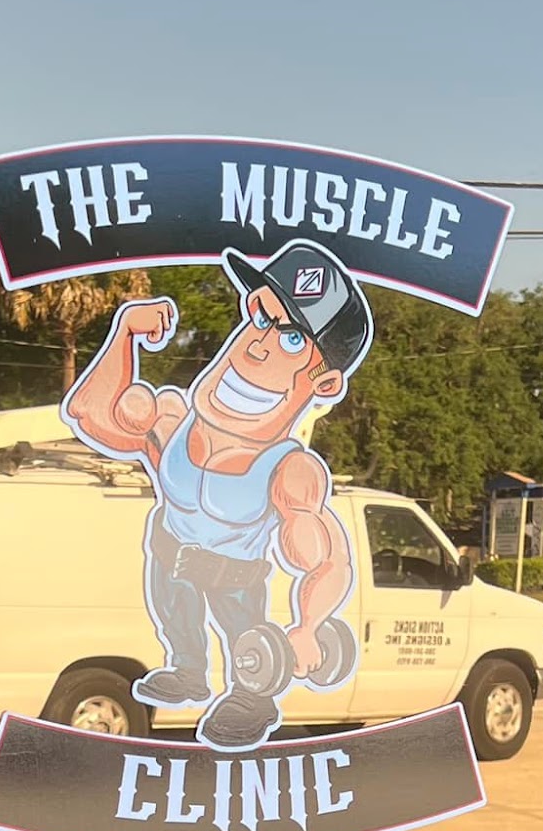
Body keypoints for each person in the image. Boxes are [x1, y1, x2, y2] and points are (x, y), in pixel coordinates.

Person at [63, 239, 374, 750]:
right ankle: (187, 670)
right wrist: (124, 335)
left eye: (292, 339)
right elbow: (90, 414)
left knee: (246, 645)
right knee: (177, 621)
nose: (257, 347)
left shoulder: (287, 471)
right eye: (260, 318)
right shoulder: (172, 423)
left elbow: (328, 562)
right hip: (168, 562)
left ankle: (251, 700)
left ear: (324, 383)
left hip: (234, 578)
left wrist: (307, 628)